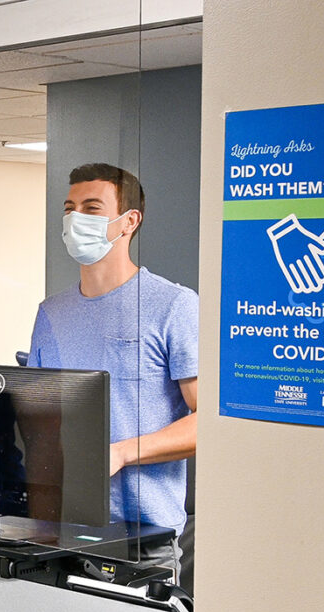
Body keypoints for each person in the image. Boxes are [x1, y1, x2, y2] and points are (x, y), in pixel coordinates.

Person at [27, 163, 198, 578]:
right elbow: (35, 414)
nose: (75, 219)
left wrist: (120, 454)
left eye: (91, 207)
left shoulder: (173, 306)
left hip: (143, 536)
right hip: (59, 529)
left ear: (129, 222)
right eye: (69, 208)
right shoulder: (51, 313)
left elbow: (211, 421)